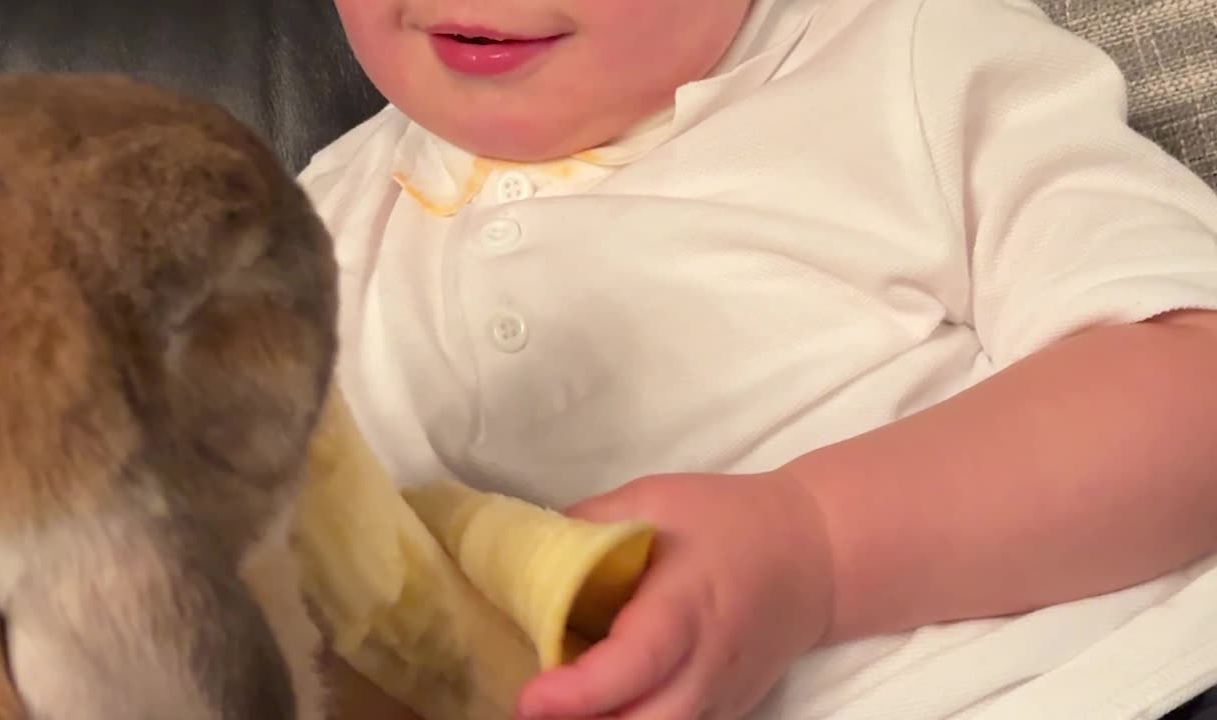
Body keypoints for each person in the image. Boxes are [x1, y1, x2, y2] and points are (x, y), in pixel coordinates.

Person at [297, 0, 1217, 717]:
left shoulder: (905, 55)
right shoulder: (273, 240)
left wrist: (816, 548)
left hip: (1107, 682)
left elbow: (1192, 389)